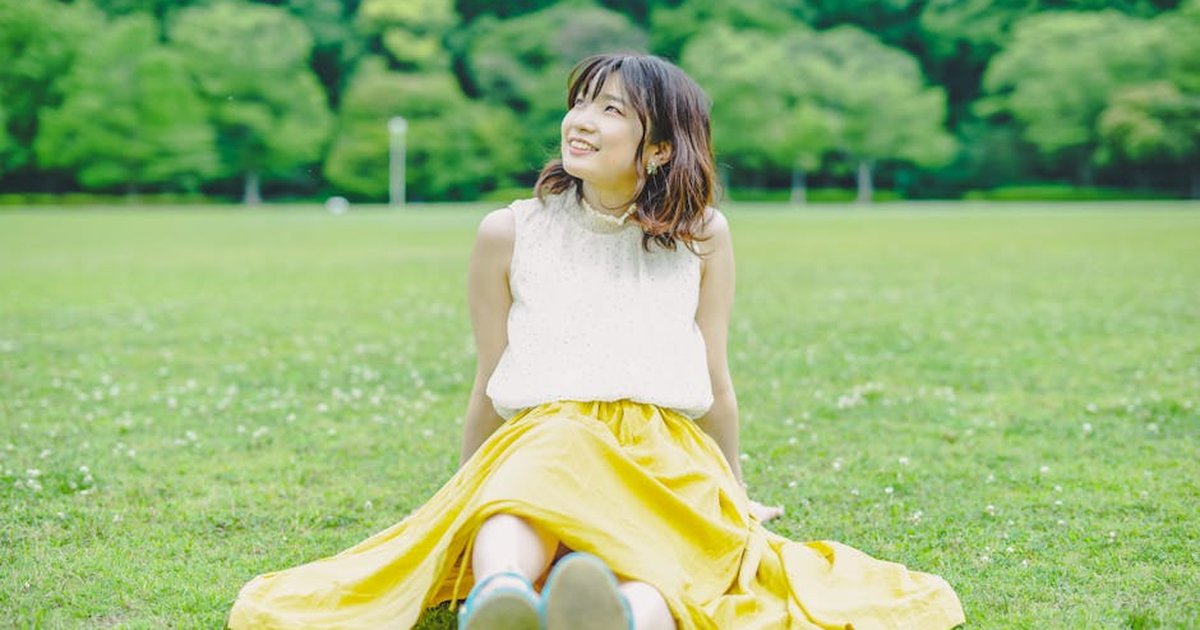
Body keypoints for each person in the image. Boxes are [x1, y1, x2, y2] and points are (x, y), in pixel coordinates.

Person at [227, 53, 965, 630]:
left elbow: (715, 376)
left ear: (659, 149)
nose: (580, 120)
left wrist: (735, 491)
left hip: (665, 452)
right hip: (548, 435)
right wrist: (467, 490)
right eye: (580, 102)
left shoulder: (703, 235)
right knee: (524, 491)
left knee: (666, 564)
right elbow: (490, 379)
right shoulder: (508, 232)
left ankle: (620, 618)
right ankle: (502, 597)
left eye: (611, 110)